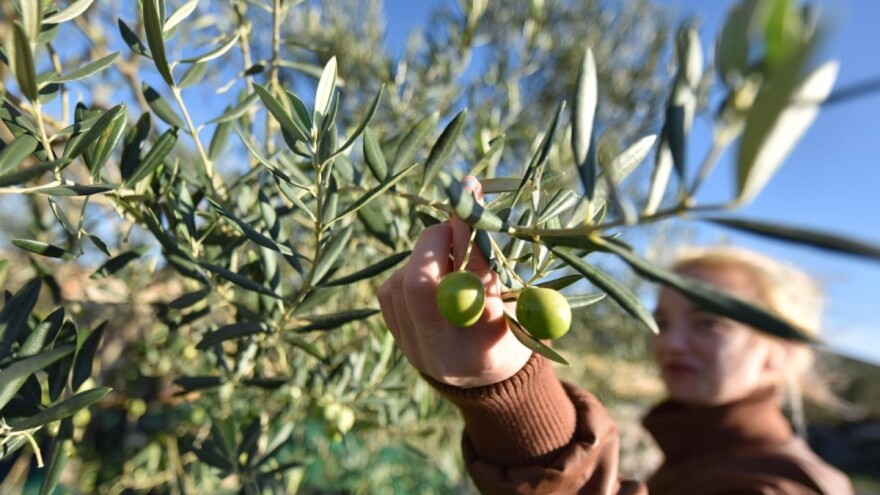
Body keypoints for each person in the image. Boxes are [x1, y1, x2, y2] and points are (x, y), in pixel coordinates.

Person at [377, 178, 854, 494]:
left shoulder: (785, 485)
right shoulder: (700, 458)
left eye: (709, 322)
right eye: (662, 321)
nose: (670, 343)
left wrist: (517, 402)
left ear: (781, 352)